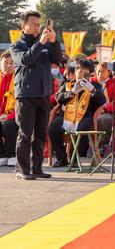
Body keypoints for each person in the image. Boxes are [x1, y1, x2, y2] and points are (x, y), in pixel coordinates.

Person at [10, 11, 63, 180]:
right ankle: (22, 169)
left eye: (38, 24)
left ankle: (37, 168)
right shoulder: (16, 46)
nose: (36, 27)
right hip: (25, 95)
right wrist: (41, 43)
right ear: (23, 25)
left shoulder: (46, 44)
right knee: (25, 133)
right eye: (33, 24)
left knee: (40, 134)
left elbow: (58, 59)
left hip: (44, 93)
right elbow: (26, 59)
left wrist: (54, 42)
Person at [49, 60, 106, 167]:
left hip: (84, 117)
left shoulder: (94, 86)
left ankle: (74, 158)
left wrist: (92, 90)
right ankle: (62, 158)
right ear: (75, 72)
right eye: (79, 72)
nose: (81, 75)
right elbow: (58, 98)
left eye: (85, 73)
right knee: (53, 127)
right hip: (67, 117)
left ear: (90, 74)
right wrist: (72, 92)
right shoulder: (67, 84)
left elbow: (102, 101)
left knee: (83, 128)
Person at [92, 62, 115, 152]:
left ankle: (102, 146)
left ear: (108, 73)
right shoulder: (91, 83)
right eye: (98, 72)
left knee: (103, 120)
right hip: (93, 111)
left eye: (102, 72)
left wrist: (105, 108)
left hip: (107, 112)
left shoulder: (113, 84)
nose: (100, 74)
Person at [0, 52, 18, 167]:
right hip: (1, 115)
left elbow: (22, 103)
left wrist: (9, 116)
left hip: (15, 115)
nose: (8, 65)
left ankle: (12, 155)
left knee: (8, 125)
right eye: (5, 63)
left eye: (11, 63)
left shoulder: (18, 79)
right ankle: (2, 155)